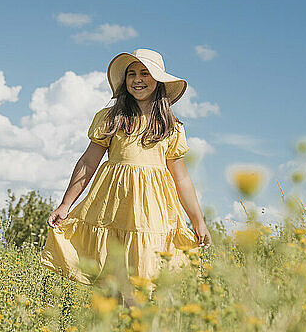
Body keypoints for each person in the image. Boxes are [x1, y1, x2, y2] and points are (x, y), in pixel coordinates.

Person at [40, 48, 211, 304]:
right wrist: (66, 204)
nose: (137, 79)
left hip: (151, 212)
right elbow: (88, 162)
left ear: (159, 81)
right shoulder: (111, 118)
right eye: (131, 74)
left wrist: (197, 221)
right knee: (110, 282)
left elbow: (182, 179)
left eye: (145, 73)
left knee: (141, 282)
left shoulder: (171, 127)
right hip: (112, 208)